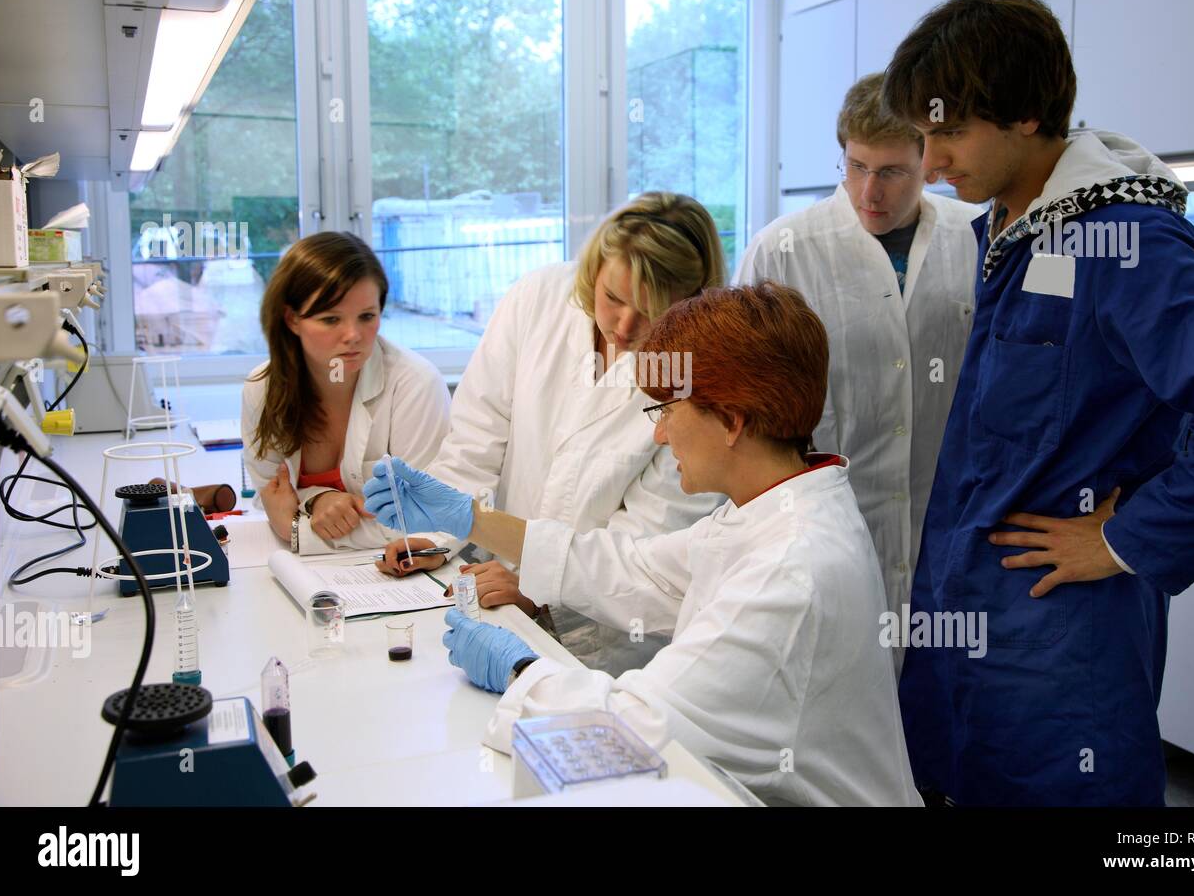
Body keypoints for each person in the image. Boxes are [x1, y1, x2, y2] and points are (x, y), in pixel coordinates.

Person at [880, 0, 1194, 805]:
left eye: (949, 133)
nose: (931, 165)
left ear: (1027, 114)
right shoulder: (1010, 227)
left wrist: (1125, 538)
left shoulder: (1125, 238)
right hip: (970, 610)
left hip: (1061, 638)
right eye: (923, 137)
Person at [366, 283, 922, 807]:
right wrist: (471, 520)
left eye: (666, 412)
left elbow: (626, 729)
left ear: (729, 421)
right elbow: (639, 571)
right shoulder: (772, 506)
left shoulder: (791, 570)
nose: (659, 433)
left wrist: (519, 670)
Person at [379, 193, 726, 675]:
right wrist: (435, 534)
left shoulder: (693, 377)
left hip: (600, 634)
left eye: (651, 311)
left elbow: (646, 545)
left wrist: (540, 593)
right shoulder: (538, 299)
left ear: (689, 301)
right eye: (613, 298)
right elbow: (476, 440)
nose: (624, 327)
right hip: (485, 585)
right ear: (593, 271)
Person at [736, 72, 980, 666]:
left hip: (944, 533)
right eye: (855, 166)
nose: (869, 191)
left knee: (931, 717)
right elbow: (737, 402)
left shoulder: (974, 238)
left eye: (892, 171)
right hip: (821, 534)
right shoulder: (783, 249)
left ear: (930, 162)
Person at [242, 231, 451, 555]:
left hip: (404, 579)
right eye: (331, 319)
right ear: (292, 319)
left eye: (367, 316)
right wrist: (319, 499)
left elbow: (425, 518)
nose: (353, 335)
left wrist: (294, 528)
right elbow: (268, 494)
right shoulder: (262, 388)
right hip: (309, 574)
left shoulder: (415, 384)